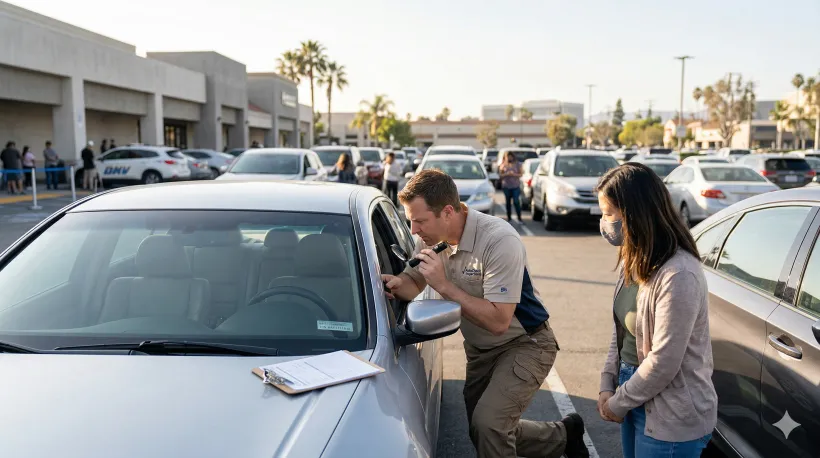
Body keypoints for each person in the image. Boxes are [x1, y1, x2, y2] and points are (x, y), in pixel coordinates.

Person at [382, 169, 589, 458]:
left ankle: (561, 437)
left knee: (489, 426)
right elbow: (412, 282)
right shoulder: (431, 239)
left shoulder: (498, 240)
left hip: (526, 344)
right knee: (484, 429)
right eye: (411, 221)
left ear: (448, 212)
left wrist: (444, 285)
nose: (414, 230)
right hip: (481, 350)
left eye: (419, 221)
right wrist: (393, 284)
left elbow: (498, 321)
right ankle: (563, 436)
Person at [596, 163, 717, 458]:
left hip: (671, 412)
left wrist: (618, 402)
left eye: (609, 213)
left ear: (636, 214)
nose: (604, 221)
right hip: (632, 391)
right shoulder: (634, 258)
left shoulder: (678, 274)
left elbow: (664, 361)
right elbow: (621, 332)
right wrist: (606, 383)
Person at [498, 150, 523, 222]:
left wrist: (514, 174)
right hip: (506, 186)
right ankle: (509, 217)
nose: (509, 158)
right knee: (508, 202)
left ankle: (519, 217)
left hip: (515, 186)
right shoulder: (503, 165)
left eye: (510, 156)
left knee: (516, 201)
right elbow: (500, 175)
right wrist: (506, 174)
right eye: (508, 157)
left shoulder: (518, 164)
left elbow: (521, 174)